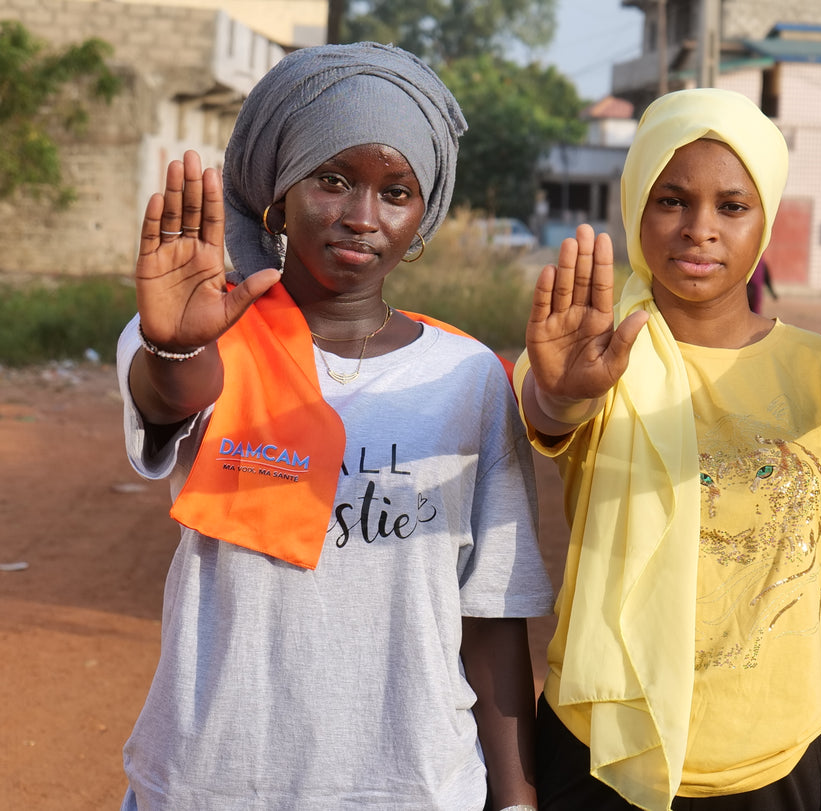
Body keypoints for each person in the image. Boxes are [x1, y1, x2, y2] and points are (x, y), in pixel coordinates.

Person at [116, 42, 552, 810]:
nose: (361, 216)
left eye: (395, 192)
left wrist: (515, 800)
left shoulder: (468, 377)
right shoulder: (200, 336)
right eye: (332, 179)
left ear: (422, 217)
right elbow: (170, 393)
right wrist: (177, 342)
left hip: (412, 785)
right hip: (214, 780)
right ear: (277, 194)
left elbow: (490, 618)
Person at [513, 88, 821, 811]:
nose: (699, 229)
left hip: (778, 762)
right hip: (602, 748)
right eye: (671, 200)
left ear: (763, 220)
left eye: (731, 205)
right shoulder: (591, 351)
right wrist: (562, 391)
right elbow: (553, 411)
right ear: (635, 204)